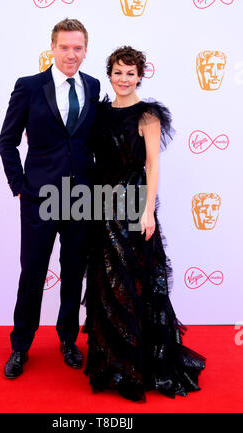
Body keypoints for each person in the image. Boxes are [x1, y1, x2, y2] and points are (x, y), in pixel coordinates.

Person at [83, 46, 206, 401]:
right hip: (101, 206)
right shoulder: (100, 112)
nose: (124, 79)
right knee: (107, 282)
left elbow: (152, 166)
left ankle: (139, 365)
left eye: (130, 73)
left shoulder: (148, 115)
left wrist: (148, 210)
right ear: (109, 75)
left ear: (141, 75)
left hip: (133, 204)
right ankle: (112, 363)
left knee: (136, 281)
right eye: (118, 72)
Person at [0, 18, 100, 378]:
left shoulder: (93, 84)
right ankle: (20, 346)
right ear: (52, 48)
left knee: (74, 273)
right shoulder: (29, 87)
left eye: (78, 48)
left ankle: (68, 340)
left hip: (81, 199)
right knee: (33, 273)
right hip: (39, 198)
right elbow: (6, 141)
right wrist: (20, 186)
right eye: (64, 47)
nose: (71, 54)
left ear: (85, 50)